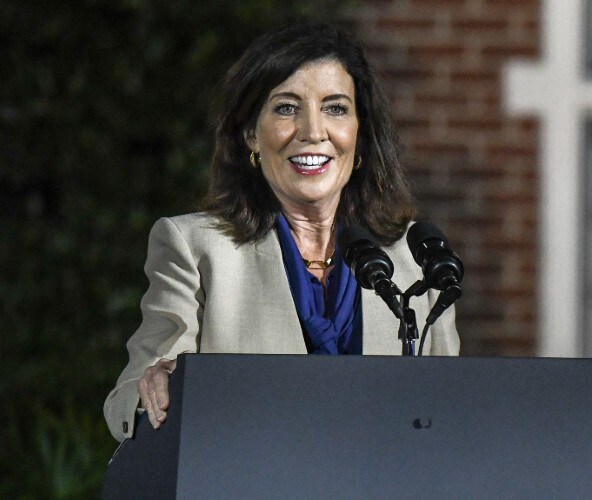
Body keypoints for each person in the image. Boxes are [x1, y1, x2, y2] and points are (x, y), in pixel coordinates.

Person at [104, 22, 460, 442]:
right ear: (250, 135)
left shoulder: (416, 260)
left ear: (360, 135)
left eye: (335, 108)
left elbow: (448, 414)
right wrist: (155, 386)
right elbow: (131, 394)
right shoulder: (197, 249)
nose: (313, 132)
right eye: (287, 108)